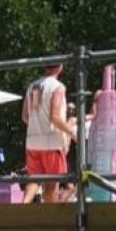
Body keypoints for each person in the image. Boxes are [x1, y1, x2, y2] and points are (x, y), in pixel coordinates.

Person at [22, 65, 77, 203]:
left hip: (33, 141)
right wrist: (73, 134)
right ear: (60, 67)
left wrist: (37, 124)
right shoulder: (58, 87)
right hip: (52, 142)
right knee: (52, 185)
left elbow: (25, 117)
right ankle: (51, 219)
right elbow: (55, 117)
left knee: (34, 179)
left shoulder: (32, 86)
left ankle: (23, 206)